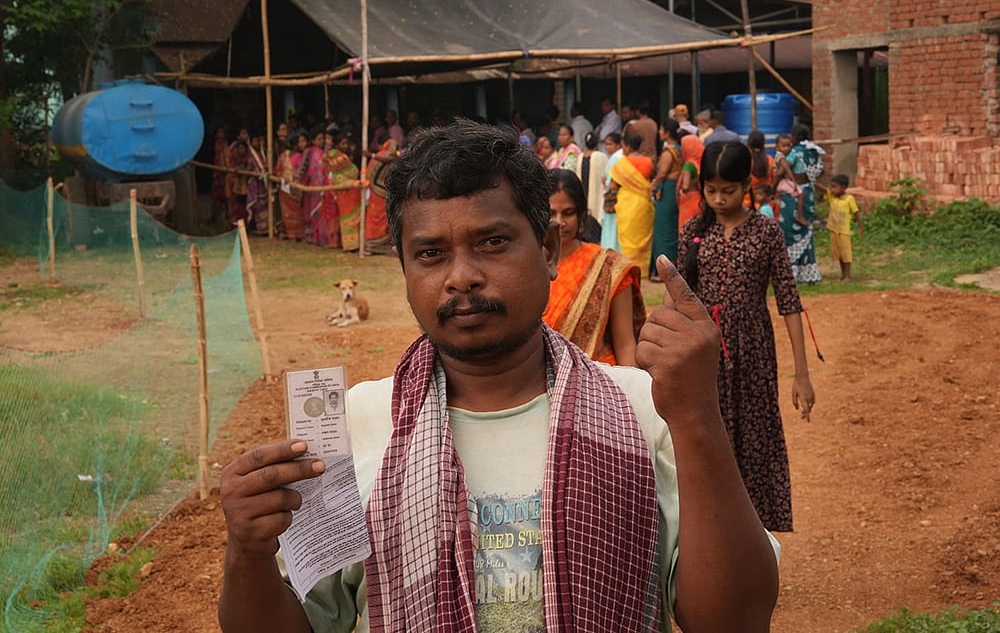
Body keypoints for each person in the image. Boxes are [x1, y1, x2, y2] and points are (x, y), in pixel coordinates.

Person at [218, 119, 779, 633]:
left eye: (492, 242)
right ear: (405, 270)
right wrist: (247, 552)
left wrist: (698, 417)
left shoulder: (643, 409)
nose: (462, 276)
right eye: (431, 253)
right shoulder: (352, 426)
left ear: (548, 248)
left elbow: (736, 620)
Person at [678, 140, 815, 532]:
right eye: (711, 190)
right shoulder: (693, 232)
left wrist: (801, 374)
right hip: (704, 355)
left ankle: (754, 538)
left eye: (729, 190)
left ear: (747, 185)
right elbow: (680, 300)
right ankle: (710, 535)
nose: (719, 199)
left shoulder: (766, 233)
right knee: (706, 440)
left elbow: (789, 301)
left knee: (756, 442)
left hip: (754, 353)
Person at [543, 169, 645, 365]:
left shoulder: (608, 267)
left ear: (581, 214)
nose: (560, 222)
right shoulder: (527, 266)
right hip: (540, 384)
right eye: (551, 213)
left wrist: (632, 391)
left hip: (599, 382)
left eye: (568, 213)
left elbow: (625, 344)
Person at [780, 124, 825, 284]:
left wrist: (776, 184)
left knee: (790, 232)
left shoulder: (795, 152)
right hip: (809, 194)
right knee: (807, 230)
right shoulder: (814, 151)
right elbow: (821, 171)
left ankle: (792, 272)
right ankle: (808, 274)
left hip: (794, 194)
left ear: (795, 137)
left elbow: (783, 168)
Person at [609, 132, 655, 278]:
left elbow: (613, 186)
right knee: (643, 237)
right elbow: (651, 181)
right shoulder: (648, 162)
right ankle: (643, 269)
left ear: (627, 146)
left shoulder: (621, 164)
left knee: (627, 236)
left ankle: (628, 269)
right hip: (643, 203)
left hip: (626, 203)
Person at [650, 118, 683, 271]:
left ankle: (663, 268)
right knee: (670, 227)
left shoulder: (669, 151)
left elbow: (662, 173)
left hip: (667, 189)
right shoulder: (678, 149)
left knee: (663, 229)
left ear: (667, 132)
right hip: (672, 189)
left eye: (661, 129)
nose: (659, 132)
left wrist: (653, 186)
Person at [817, 173, 864, 280]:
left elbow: (856, 213)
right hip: (834, 230)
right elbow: (824, 189)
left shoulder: (849, 199)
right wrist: (812, 181)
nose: (832, 189)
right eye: (831, 186)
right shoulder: (832, 198)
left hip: (843, 232)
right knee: (839, 255)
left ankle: (848, 275)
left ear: (844, 187)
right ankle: (843, 274)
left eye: (835, 187)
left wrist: (860, 227)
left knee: (846, 254)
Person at [363, 133, 398, 254]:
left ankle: (378, 246)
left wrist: (371, 155)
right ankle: (372, 245)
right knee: (377, 219)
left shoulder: (388, 151)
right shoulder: (380, 155)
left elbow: (391, 157)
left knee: (382, 219)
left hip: (382, 191)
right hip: (377, 192)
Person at [574, 131, 608, 233]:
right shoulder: (601, 156)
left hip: (583, 190)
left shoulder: (580, 156)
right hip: (596, 192)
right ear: (597, 144)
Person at [676, 130, 706, 233]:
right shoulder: (701, 164)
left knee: (686, 230)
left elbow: (685, 185)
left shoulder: (688, 165)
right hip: (698, 198)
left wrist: (680, 192)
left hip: (688, 201)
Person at [274, 139, 304, 241]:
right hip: (289, 186)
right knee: (290, 210)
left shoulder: (284, 155)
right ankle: (293, 234)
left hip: (289, 187)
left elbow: (277, 170)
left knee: (291, 210)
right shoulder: (297, 156)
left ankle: (293, 234)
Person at [600, 132, 623, 251]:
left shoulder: (615, 157)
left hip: (613, 196)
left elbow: (610, 180)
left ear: (618, 145)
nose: (608, 147)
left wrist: (605, 181)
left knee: (611, 226)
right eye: (606, 144)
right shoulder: (619, 156)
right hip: (619, 197)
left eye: (610, 144)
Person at [624, 99, 658, 163]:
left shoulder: (634, 126)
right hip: (652, 158)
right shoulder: (653, 123)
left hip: (640, 159)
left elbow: (627, 142)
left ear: (638, 111)